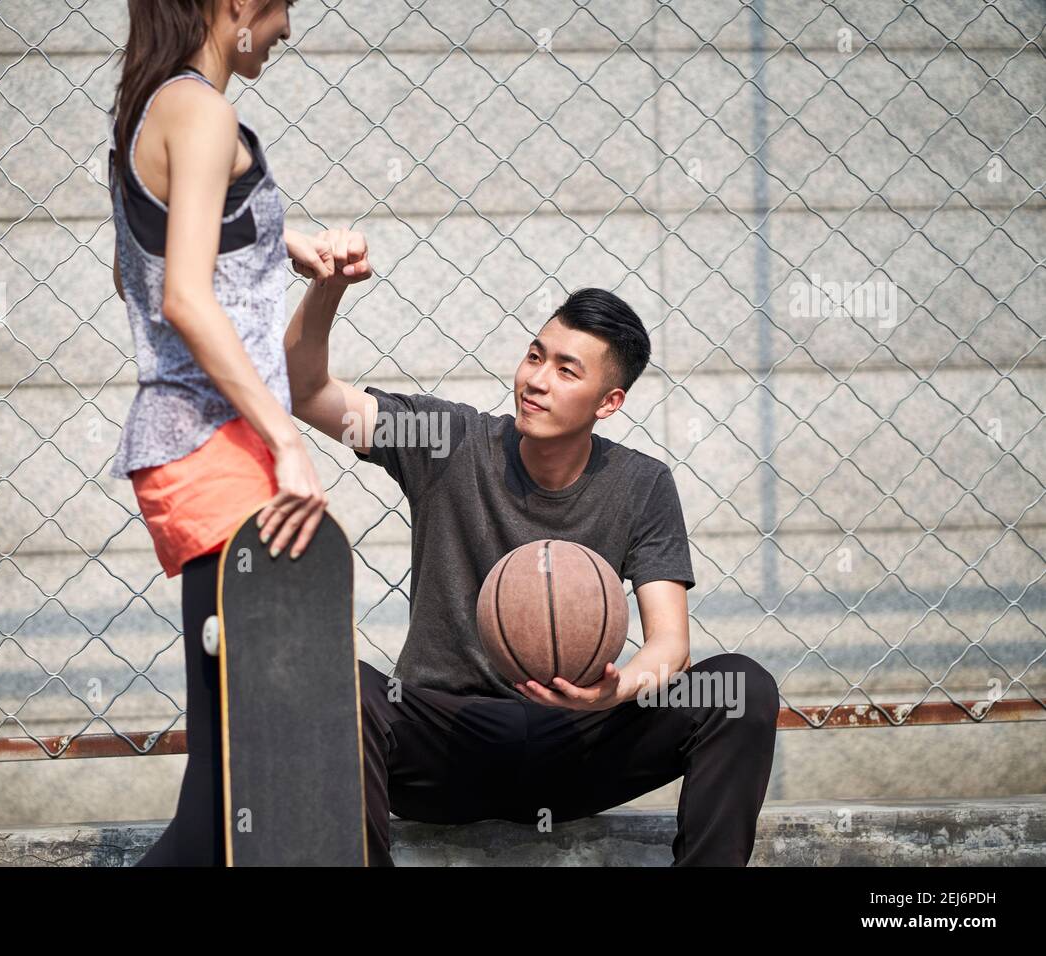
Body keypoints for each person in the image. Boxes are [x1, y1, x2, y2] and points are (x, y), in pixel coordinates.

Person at [285, 272, 781, 866]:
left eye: (566, 371)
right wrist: (327, 287)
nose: (536, 381)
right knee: (338, 685)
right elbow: (304, 389)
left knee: (740, 688)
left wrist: (613, 692)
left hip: (576, 745)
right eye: (534, 357)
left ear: (609, 402)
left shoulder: (642, 484)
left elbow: (670, 646)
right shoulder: (445, 442)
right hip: (447, 745)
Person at [107, 0, 370, 866]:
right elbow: (182, 298)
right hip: (222, 458)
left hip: (190, 454)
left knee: (258, 784)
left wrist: (280, 247)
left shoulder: (157, 105)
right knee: (234, 795)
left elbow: (137, 275)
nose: (290, 22)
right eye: (285, 4)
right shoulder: (206, 111)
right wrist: (288, 442)